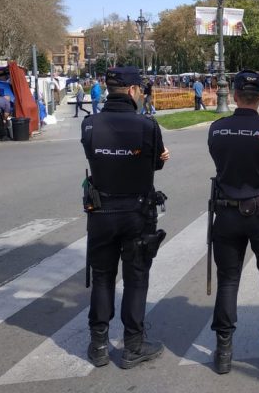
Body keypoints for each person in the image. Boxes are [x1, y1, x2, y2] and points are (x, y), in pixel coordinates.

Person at [81, 66, 170, 369]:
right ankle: (133, 345)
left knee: (103, 278)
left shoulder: (90, 124)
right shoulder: (148, 126)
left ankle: (99, 344)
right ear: (133, 91)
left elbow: (94, 157)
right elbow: (155, 165)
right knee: (136, 279)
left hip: (101, 212)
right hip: (136, 213)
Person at [208, 70, 259, 376]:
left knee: (228, 282)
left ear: (232, 95)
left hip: (227, 214)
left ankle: (224, 351)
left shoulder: (217, 129)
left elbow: (219, 160)